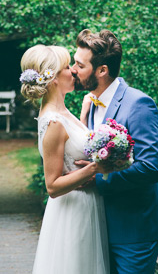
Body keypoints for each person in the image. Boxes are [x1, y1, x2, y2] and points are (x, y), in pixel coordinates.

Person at [72, 29, 158, 274]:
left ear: (102, 70)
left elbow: (151, 167)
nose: (73, 70)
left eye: (80, 65)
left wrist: (99, 179)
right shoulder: (91, 104)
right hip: (99, 226)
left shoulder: (138, 104)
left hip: (133, 230)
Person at [20, 44, 109, 274]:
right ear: (54, 79)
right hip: (73, 211)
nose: (73, 71)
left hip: (87, 204)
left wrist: (84, 112)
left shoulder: (62, 113)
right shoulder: (53, 122)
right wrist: (95, 169)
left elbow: (72, 146)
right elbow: (52, 185)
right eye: (68, 67)